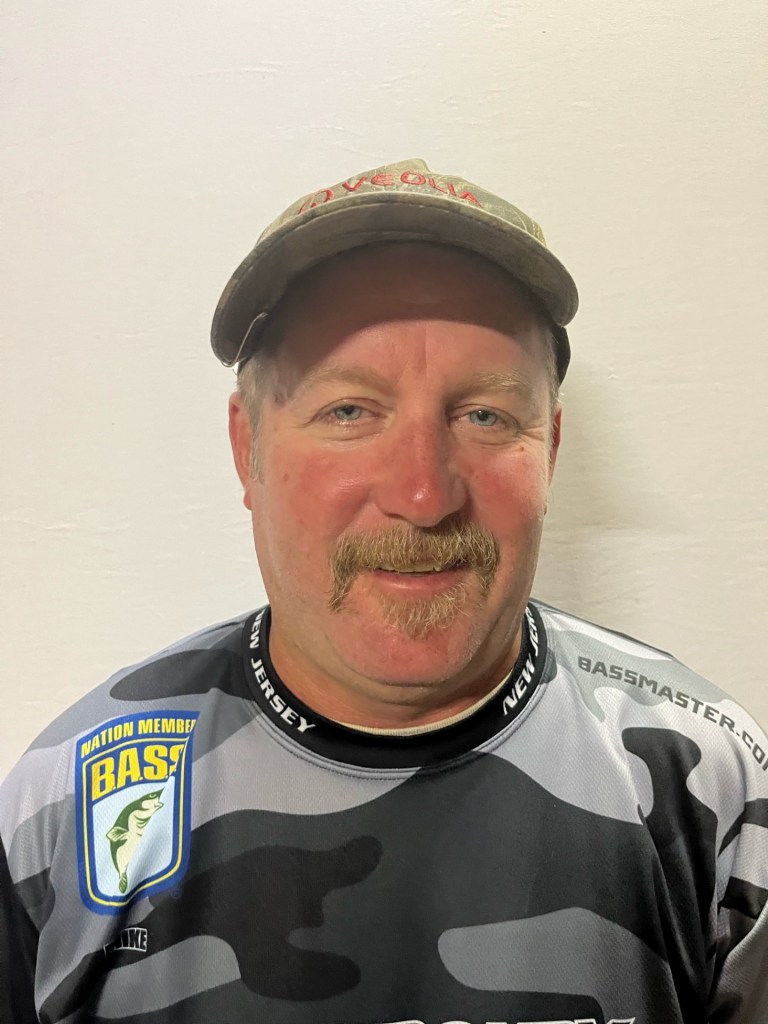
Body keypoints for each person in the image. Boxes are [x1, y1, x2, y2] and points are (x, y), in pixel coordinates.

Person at [1, 158, 765, 1024]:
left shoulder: (716, 794)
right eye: (349, 412)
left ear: (549, 449)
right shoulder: (65, 807)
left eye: (485, 415)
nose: (424, 494)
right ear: (247, 447)